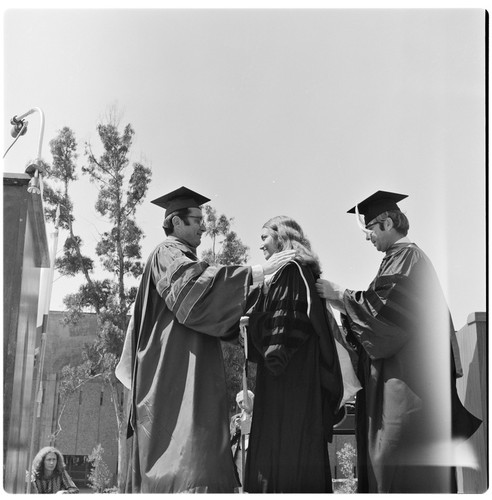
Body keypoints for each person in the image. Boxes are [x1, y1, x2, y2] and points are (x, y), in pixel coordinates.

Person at [115, 186, 295, 493]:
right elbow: (193, 292)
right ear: (175, 221)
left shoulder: (181, 255)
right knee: (187, 463)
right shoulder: (167, 252)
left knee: (202, 455)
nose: (203, 225)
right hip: (171, 375)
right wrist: (257, 272)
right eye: (197, 219)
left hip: (189, 368)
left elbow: (212, 310)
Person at [315, 190, 481, 493]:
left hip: (407, 384)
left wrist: (339, 294)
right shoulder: (399, 259)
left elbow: (382, 318)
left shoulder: (406, 259)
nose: (367, 239)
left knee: (401, 466)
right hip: (406, 378)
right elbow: (375, 312)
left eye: (370, 230)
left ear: (388, 221)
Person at [242, 215, 344, 493]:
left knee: (284, 448)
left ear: (281, 237)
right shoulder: (298, 271)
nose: (260, 245)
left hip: (287, 378)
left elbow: (283, 328)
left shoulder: (291, 271)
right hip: (297, 376)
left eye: (264, 237)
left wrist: (252, 325)